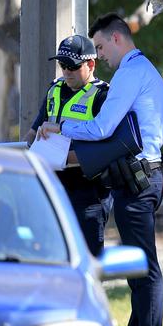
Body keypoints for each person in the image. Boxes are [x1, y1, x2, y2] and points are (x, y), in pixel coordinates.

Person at [37, 13, 163, 326]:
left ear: (116, 39)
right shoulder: (142, 71)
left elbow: (100, 128)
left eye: (99, 47)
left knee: (144, 268)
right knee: (137, 269)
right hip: (137, 177)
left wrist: (60, 126)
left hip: (137, 179)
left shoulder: (129, 73)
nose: (100, 57)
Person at [24, 34, 112, 257]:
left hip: (88, 192)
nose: (66, 71)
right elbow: (34, 131)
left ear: (91, 64)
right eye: (62, 65)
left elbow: (106, 148)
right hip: (54, 188)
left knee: (87, 258)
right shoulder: (54, 90)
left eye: (72, 66)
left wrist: (67, 158)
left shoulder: (103, 96)